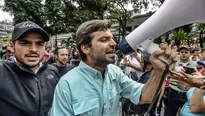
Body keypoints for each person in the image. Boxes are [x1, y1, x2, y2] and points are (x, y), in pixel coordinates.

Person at [50, 20, 179, 116]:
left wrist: (158, 70)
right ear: (85, 48)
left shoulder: (115, 72)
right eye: (104, 39)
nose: (113, 43)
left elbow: (144, 96)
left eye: (112, 38)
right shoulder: (67, 85)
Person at [0, 21, 60, 116]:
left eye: (39, 43)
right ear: (12, 46)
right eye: (25, 43)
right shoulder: (2, 72)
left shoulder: (52, 72)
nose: (33, 49)